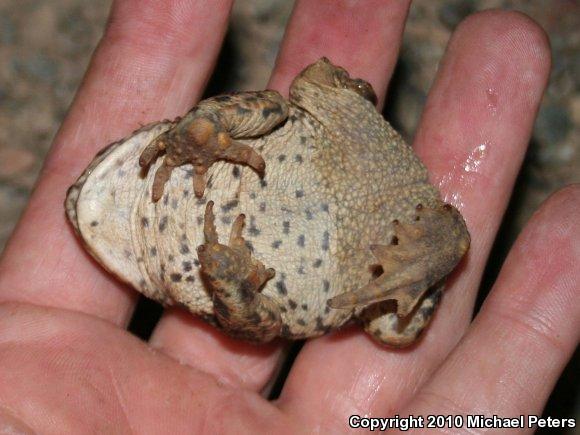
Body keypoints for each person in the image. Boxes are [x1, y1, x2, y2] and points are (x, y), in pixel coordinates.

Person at [0, 1, 577, 432]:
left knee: (293, 309)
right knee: (380, 325)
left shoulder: (210, 144)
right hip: (283, 237)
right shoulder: (165, 274)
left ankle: (422, 250)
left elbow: (291, 101)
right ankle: (428, 248)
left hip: (306, 211)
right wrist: (233, 288)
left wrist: (207, 136)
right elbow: (266, 326)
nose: (78, 196)